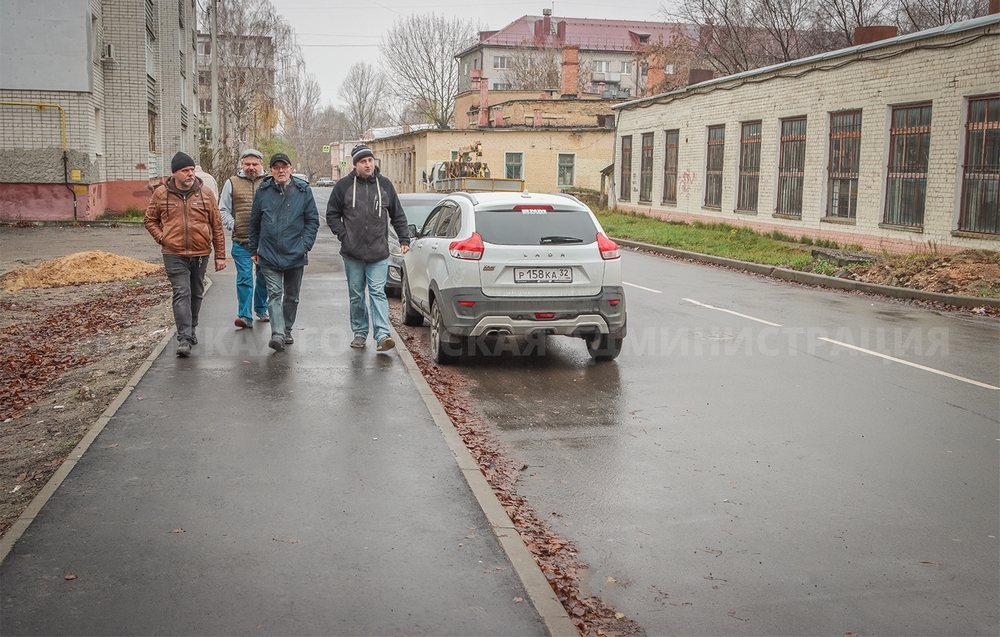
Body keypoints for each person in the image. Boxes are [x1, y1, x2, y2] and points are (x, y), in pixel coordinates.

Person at [326, 144, 409, 352]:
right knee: (356, 295)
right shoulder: (344, 186)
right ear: (355, 165)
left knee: (377, 293)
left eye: (370, 160)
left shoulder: (385, 185)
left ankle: (383, 335)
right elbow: (332, 214)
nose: (368, 164)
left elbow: (398, 214)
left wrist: (404, 239)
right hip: (352, 253)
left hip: (378, 252)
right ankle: (360, 332)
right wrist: (344, 235)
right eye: (363, 161)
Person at [144, 151, 227, 357]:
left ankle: (192, 328)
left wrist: (220, 255)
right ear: (175, 173)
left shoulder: (205, 193)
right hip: (173, 252)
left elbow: (217, 226)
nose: (190, 174)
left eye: (191, 170)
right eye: (185, 170)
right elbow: (150, 220)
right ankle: (184, 338)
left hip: (200, 252)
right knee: (181, 292)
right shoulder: (161, 194)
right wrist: (162, 238)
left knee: (196, 292)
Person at [248, 153, 319, 353]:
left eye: (284, 167)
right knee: (274, 294)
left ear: (290, 169)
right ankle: (277, 334)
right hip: (269, 253)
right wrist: (254, 249)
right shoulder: (263, 191)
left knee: (292, 297)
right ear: (271, 170)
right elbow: (254, 222)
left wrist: (305, 246)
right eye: (276, 167)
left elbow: (312, 221)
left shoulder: (303, 191)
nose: (281, 170)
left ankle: (286, 329)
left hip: (296, 253)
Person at [219, 149, 269, 328]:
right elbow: (223, 209)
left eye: (255, 164)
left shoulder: (269, 182)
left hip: (266, 242)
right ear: (242, 165)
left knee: (264, 278)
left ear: (261, 165)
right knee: (245, 278)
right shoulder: (232, 182)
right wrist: (234, 225)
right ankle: (245, 315)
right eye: (247, 164)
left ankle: (261, 308)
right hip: (242, 241)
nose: (251, 167)